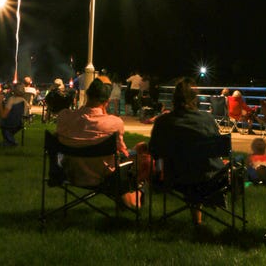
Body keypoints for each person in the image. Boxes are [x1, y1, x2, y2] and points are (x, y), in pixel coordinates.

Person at [56, 77, 148, 208]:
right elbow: (122, 150)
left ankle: (131, 197)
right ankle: (137, 192)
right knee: (142, 151)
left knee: (136, 150)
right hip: (103, 176)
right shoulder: (115, 122)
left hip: (69, 173)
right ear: (107, 101)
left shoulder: (64, 116)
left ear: (87, 95)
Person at [149, 76, 225, 225]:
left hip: (174, 177)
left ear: (173, 99)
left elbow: (154, 151)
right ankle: (199, 219)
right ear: (195, 99)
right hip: (207, 178)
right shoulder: (207, 120)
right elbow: (219, 150)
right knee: (200, 164)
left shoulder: (162, 122)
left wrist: (159, 174)